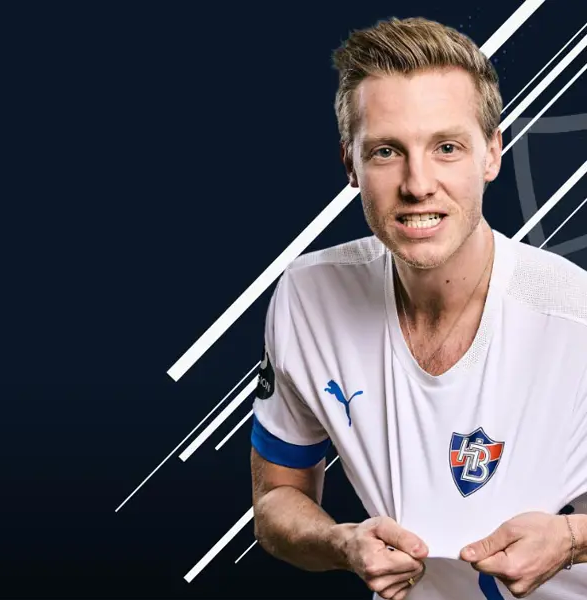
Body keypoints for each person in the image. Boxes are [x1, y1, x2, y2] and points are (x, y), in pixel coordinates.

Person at [249, 16, 587, 600]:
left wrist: (571, 539)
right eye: (386, 151)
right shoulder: (308, 298)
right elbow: (277, 498)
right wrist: (341, 543)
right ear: (351, 165)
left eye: (447, 147)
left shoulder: (574, 316)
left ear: (491, 154)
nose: (417, 184)